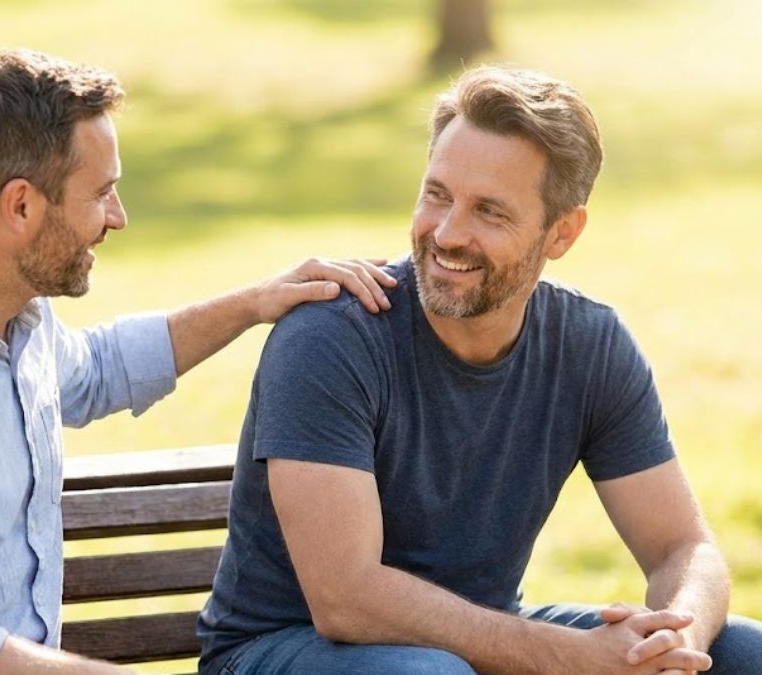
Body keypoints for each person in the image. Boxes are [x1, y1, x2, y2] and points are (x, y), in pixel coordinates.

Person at [0, 49, 397, 675]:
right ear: (22, 206)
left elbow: (98, 369)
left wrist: (254, 303)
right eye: (102, 193)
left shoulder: (15, 323)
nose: (117, 218)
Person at [197, 66, 762, 674]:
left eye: (489, 212)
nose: (447, 233)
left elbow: (683, 546)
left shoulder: (589, 345)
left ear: (562, 232)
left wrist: (674, 641)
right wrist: (573, 658)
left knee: (740, 651)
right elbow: (346, 599)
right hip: (282, 649)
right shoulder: (331, 337)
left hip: (475, 648)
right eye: (437, 194)